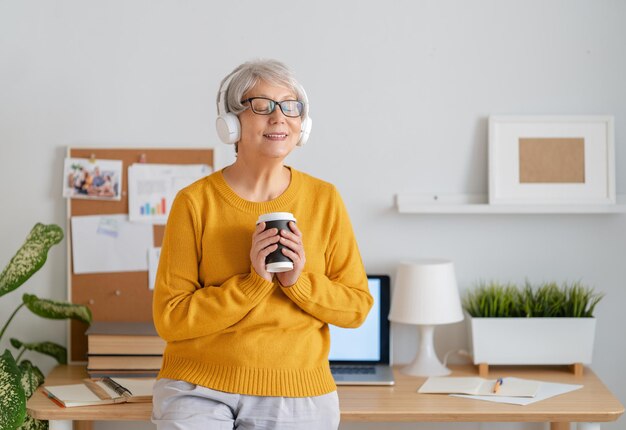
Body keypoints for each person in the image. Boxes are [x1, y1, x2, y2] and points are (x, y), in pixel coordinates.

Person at [152, 59, 372, 430]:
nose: (279, 117)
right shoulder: (194, 202)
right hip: (196, 387)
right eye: (262, 105)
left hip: (296, 391)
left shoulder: (324, 199)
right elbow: (171, 317)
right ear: (232, 123)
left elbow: (356, 308)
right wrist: (253, 283)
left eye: (290, 106)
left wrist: (297, 282)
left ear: (302, 125)